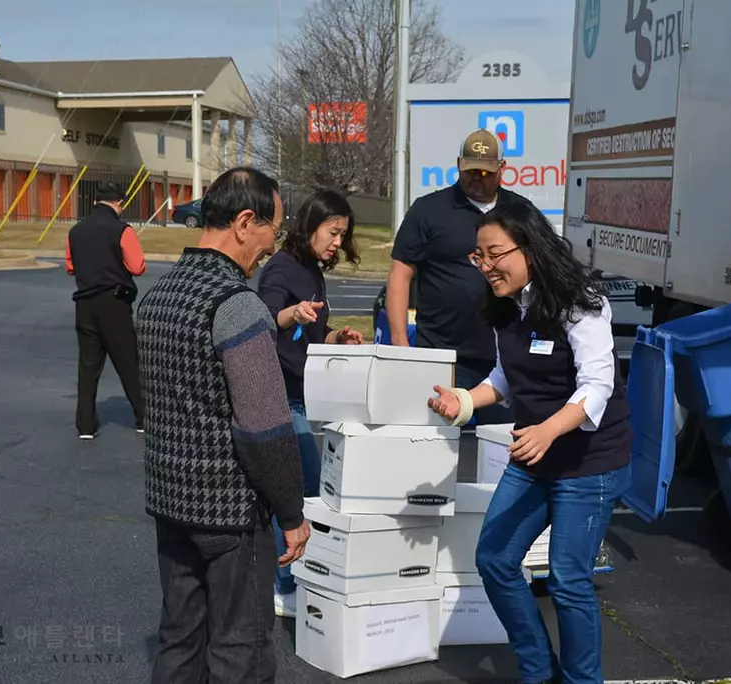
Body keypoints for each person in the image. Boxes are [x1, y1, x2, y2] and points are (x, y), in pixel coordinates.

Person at [427, 201, 632, 684]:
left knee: (568, 580)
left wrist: (548, 429)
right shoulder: (505, 308)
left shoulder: (581, 301)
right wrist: (465, 401)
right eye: (478, 257)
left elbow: (597, 384)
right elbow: (505, 377)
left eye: (494, 253)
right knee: (495, 559)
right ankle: (539, 670)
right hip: (534, 456)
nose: (486, 266)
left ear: (530, 248)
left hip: (588, 462)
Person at [135, 166, 311, 684]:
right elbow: (265, 429)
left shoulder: (158, 297)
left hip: (170, 502)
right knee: (241, 649)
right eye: (271, 232)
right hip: (230, 512)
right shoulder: (238, 306)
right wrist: (291, 511)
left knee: (179, 636)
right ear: (243, 222)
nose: (271, 247)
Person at [256, 188, 364, 618]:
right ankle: (284, 585)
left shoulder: (312, 269)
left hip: (300, 392)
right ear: (311, 225)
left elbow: (311, 333)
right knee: (299, 489)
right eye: (333, 232)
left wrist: (337, 336)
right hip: (279, 392)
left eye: (343, 235)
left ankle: (290, 579)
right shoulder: (282, 267)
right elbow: (265, 319)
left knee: (302, 488)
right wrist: (291, 313)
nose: (338, 241)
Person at [387, 128, 537, 426]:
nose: (477, 177)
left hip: (502, 357)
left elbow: (539, 271)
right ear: (458, 165)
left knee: (499, 448)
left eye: (485, 171)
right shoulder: (428, 210)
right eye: (470, 170)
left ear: (502, 170)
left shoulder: (519, 211)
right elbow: (400, 274)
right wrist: (400, 344)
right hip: (440, 356)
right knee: (433, 451)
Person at [65, 180, 146, 440]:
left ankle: (85, 425)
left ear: (94, 202)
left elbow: (70, 266)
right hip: (114, 303)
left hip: (84, 303)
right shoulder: (121, 229)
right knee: (128, 363)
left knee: (88, 366)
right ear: (120, 203)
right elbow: (138, 266)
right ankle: (144, 417)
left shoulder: (75, 231)